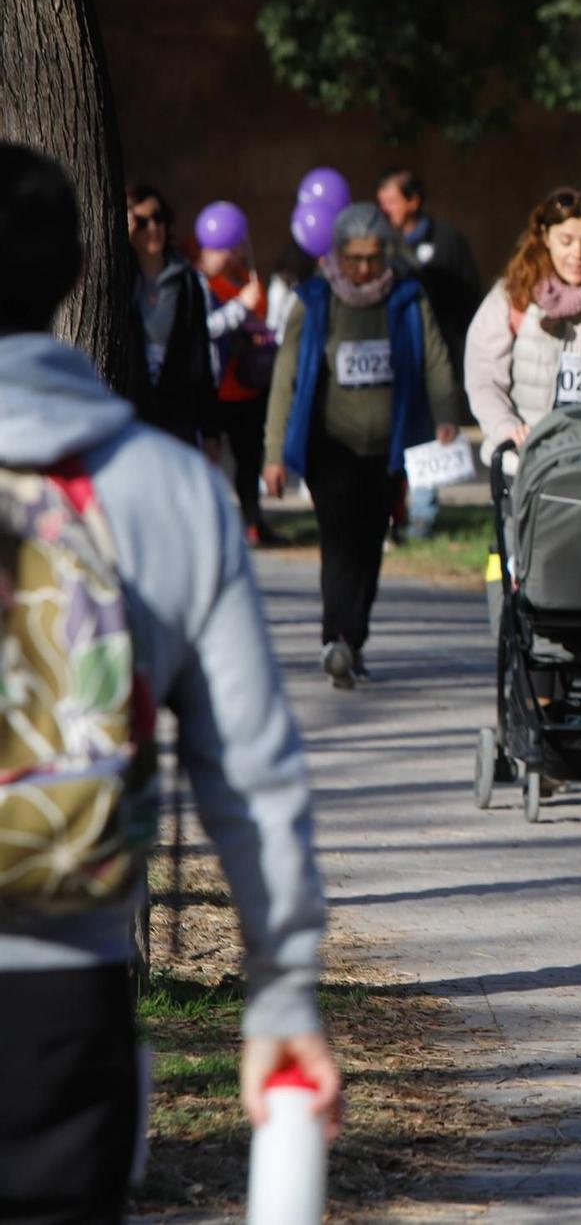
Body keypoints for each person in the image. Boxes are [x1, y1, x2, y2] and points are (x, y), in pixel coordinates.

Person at [0, 142, 341, 1222]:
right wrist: (281, 989)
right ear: (77, 271)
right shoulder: (167, 489)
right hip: (67, 993)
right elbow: (249, 767)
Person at [262, 203, 458, 689]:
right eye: (354, 258)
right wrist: (273, 454)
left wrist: (447, 415)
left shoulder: (408, 299)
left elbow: (434, 359)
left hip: (387, 449)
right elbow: (285, 381)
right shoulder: (314, 301)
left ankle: (355, 640)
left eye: (373, 257)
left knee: (371, 543)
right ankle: (336, 640)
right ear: (337, 255)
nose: (365, 268)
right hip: (332, 446)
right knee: (339, 541)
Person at [466, 187, 581, 461]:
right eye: (566, 241)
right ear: (545, 237)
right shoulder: (514, 295)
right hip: (528, 464)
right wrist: (507, 429)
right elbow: (483, 378)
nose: (577, 254)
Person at [377, 168, 480, 541]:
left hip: (440, 350)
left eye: (391, 201)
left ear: (413, 201)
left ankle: (422, 514)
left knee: (432, 430)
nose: (385, 209)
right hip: (398, 356)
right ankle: (392, 511)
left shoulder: (447, 241)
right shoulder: (381, 245)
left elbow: (469, 297)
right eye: (382, 203)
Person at [197, 232, 277, 544]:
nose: (229, 253)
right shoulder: (203, 285)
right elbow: (209, 326)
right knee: (210, 459)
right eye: (219, 247)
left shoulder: (250, 282)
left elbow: (262, 318)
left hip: (248, 387)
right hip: (217, 389)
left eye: (233, 246)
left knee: (248, 462)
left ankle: (252, 522)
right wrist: (241, 308)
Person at [126, 183, 219, 446]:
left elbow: (200, 355)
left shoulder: (187, 281)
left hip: (177, 415)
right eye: (142, 222)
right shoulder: (120, 278)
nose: (153, 228)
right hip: (130, 413)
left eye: (159, 218)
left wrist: (210, 430)